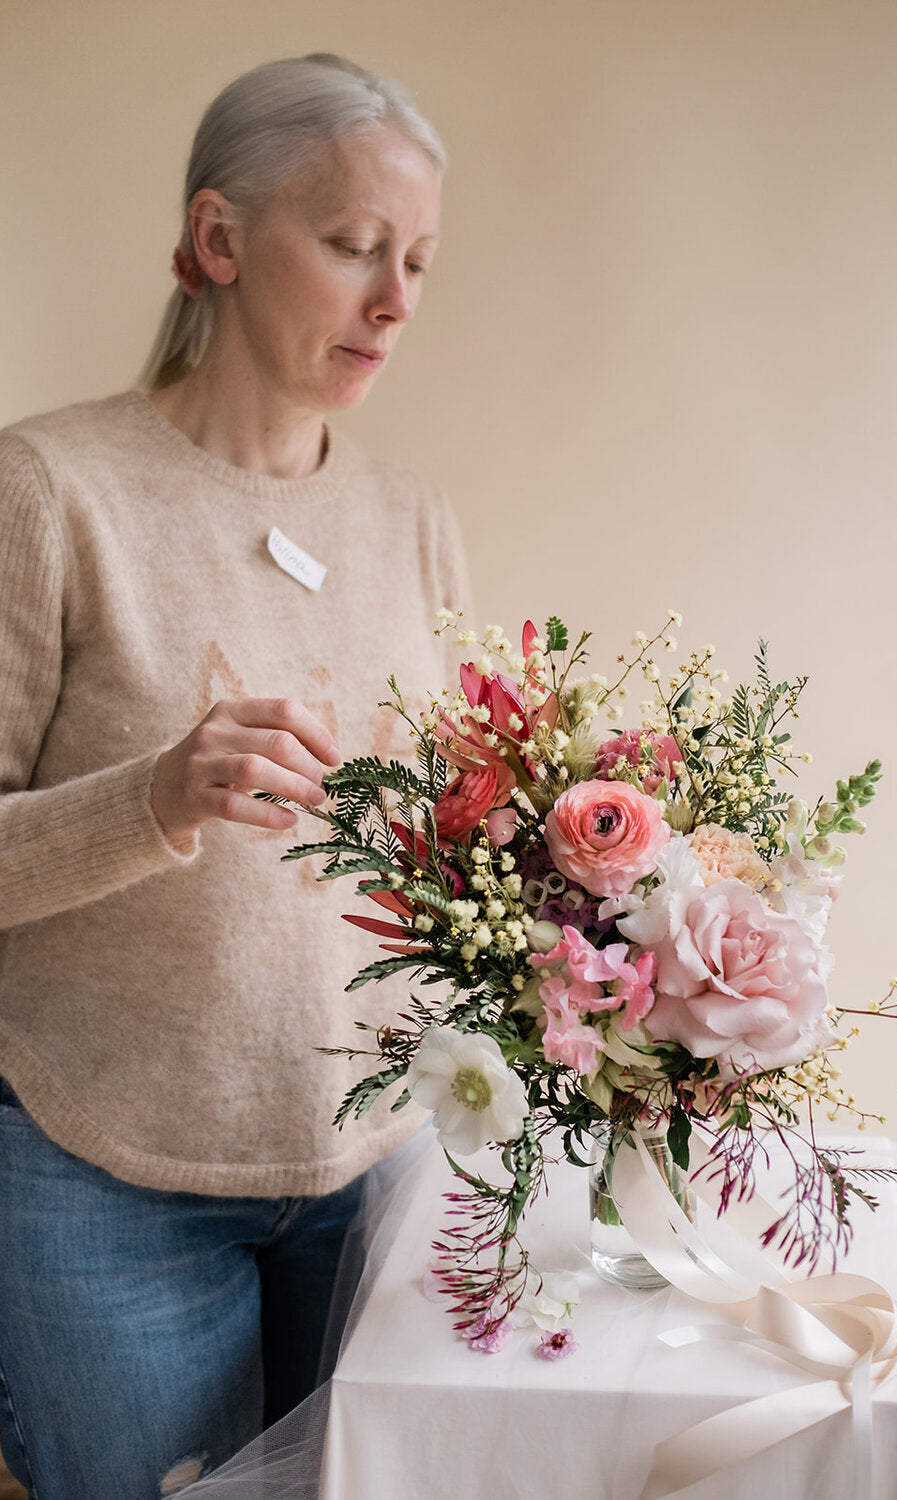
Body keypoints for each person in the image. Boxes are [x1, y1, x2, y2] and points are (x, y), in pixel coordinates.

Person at [0, 52, 468, 1499]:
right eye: (350, 247)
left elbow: (452, 855)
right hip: (103, 1184)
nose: (394, 303)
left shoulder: (413, 521)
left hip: (375, 1173)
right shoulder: (48, 492)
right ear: (217, 240)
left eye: (417, 262)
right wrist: (156, 796)